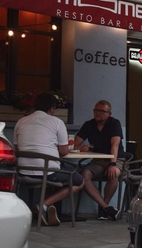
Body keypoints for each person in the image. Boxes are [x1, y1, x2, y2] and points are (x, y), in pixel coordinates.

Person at [14, 92, 85, 226]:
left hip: (23, 171)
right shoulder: (57, 122)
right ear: (52, 109)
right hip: (47, 171)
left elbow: (17, 149)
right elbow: (63, 151)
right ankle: (44, 204)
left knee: (51, 173)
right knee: (79, 181)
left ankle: (48, 208)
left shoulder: (21, 121)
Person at [74, 100, 126, 220]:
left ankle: (103, 209)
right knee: (84, 176)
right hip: (98, 160)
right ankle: (106, 208)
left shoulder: (114, 123)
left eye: (102, 111)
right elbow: (75, 143)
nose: (98, 113)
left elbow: (115, 145)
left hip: (116, 158)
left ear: (109, 113)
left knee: (113, 174)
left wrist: (113, 164)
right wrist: (81, 148)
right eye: (96, 110)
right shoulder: (89, 124)